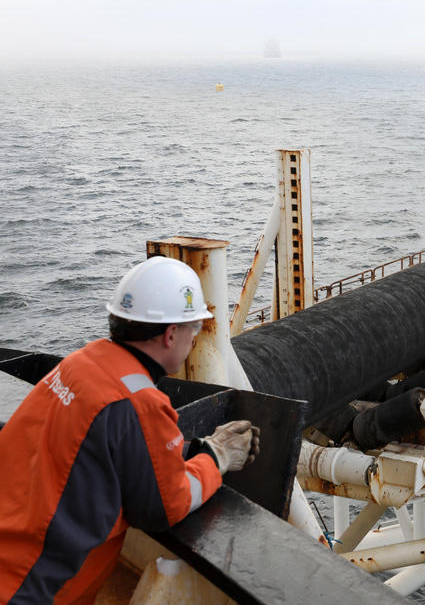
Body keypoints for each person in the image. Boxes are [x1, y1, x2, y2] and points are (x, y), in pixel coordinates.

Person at [0, 256, 260, 603]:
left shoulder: (78, 364)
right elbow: (166, 507)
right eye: (193, 329)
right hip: (27, 590)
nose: (193, 339)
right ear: (171, 335)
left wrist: (184, 450)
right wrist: (217, 455)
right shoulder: (139, 402)